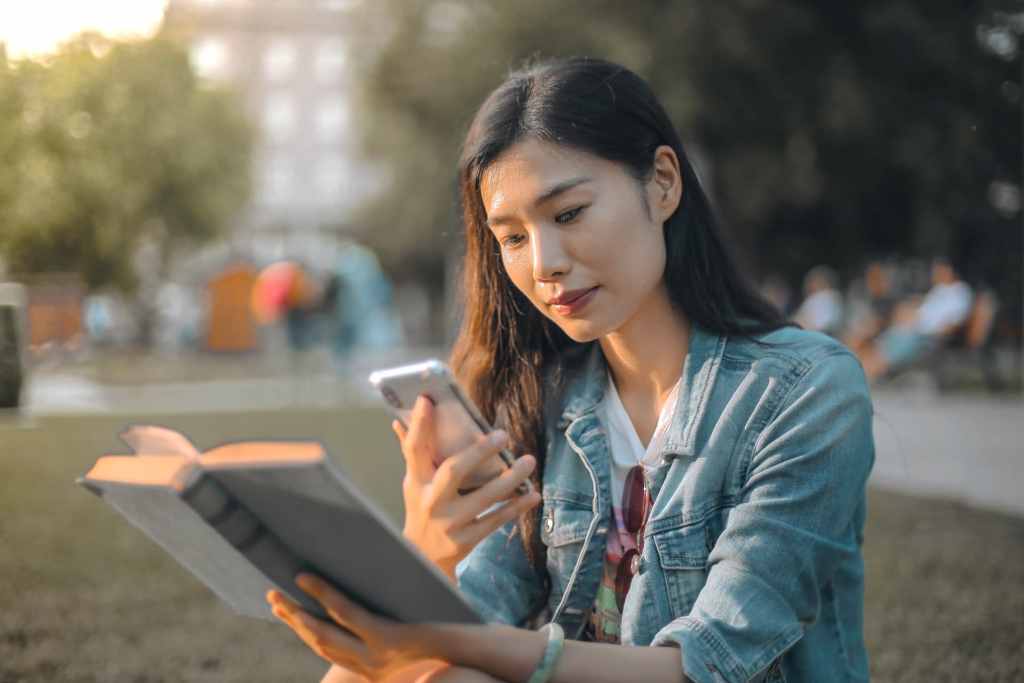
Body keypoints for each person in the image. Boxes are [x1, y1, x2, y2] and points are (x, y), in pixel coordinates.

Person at [267, 57, 875, 683]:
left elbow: (701, 668)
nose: (545, 263)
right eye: (512, 237)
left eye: (567, 214)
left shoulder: (805, 392)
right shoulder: (541, 401)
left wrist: (446, 642)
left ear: (663, 183)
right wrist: (426, 553)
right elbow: (414, 656)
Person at [857, 257, 973, 381]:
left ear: (949, 271)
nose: (934, 274)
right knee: (872, 346)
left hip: (924, 336)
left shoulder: (960, 292)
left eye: (937, 270)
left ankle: (860, 378)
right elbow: (924, 309)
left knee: (881, 355)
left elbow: (955, 322)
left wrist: (929, 331)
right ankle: (856, 376)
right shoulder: (939, 289)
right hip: (910, 330)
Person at [792, 265, 843, 336]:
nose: (808, 285)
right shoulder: (833, 298)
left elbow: (821, 326)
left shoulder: (824, 297)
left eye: (812, 281)